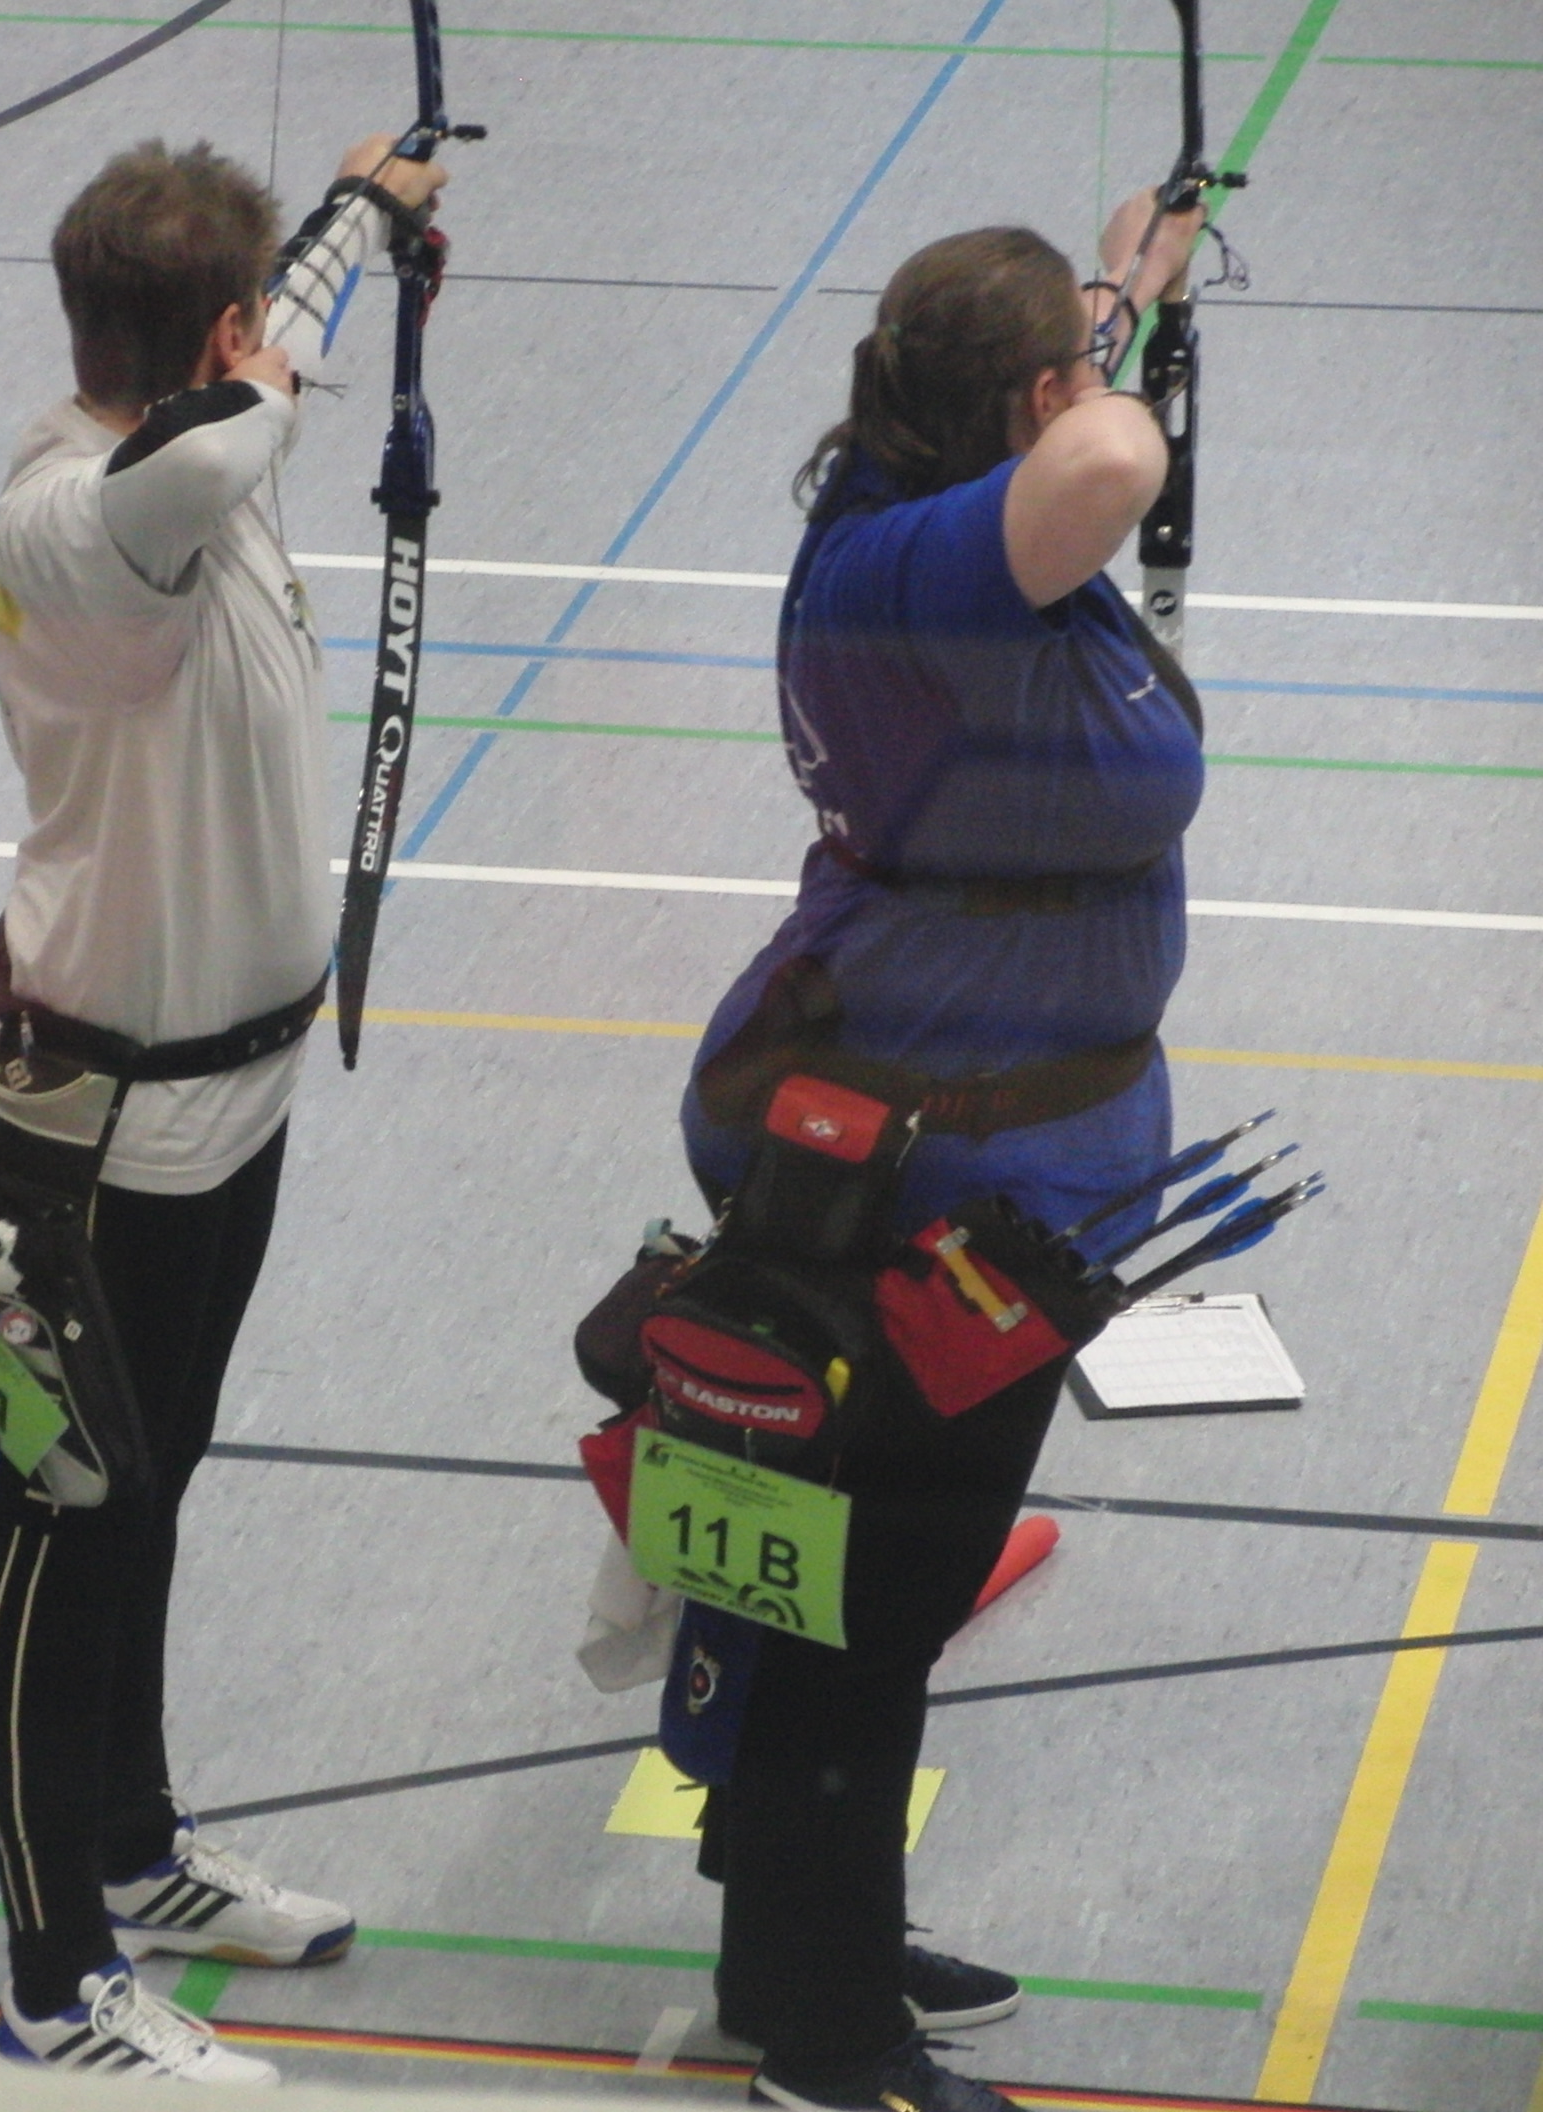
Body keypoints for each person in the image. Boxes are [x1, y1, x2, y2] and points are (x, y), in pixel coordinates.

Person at [669, 187, 1212, 2112]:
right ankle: (827, 2046)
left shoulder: (924, 514)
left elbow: (1075, 439)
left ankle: (798, 1941)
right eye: (1065, 376)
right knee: (875, 1611)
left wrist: (1122, 288)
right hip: (931, 1190)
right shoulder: (925, 571)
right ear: (1028, 408)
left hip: (967, 1155)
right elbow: (1112, 462)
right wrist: (1108, 362)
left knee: (851, 1590)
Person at [0, 133, 449, 2082]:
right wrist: (291, 318)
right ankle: (49, 1981)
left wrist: (354, 220)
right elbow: (232, 432)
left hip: (223, 1108)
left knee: (147, 1498)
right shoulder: (74, 520)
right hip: (83, 1140)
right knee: (59, 1528)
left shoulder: (191, 434)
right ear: (215, 340)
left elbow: (248, 389)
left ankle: (132, 1850)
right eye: (250, 335)